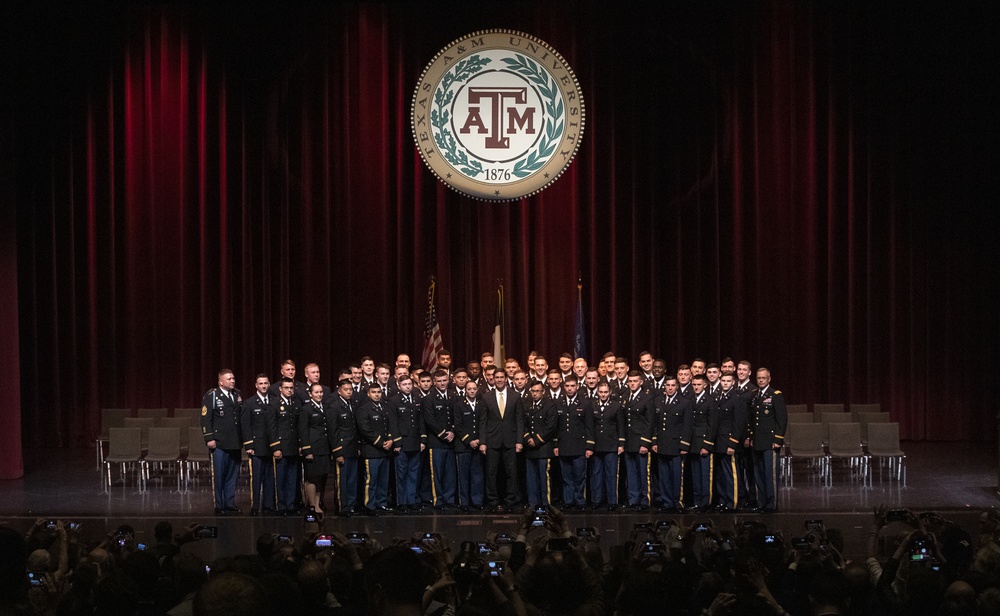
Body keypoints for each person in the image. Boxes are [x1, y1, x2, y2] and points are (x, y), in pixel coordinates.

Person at [478, 367, 522, 512]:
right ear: (493, 379)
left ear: (506, 378)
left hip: (510, 440)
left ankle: (510, 500)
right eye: (496, 377)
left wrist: (519, 441)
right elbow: (483, 421)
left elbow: (519, 420)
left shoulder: (515, 396)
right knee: (491, 473)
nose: (499, 380)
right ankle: (492, 501)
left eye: (501, 377)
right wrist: (483, 442)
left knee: (511, 473)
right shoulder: (486, 397)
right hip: (492, 440)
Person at [201, 369, 243, 515]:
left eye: (233, 378)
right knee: (219, 476)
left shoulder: (237, 395)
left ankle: (230, 503)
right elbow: (206, 418)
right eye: (229, 379)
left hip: (235, 442)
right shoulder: (212, 396)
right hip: (219, 443)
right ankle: (219, 505)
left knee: (232, 475)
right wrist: (209, 438)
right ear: (221, 382)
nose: (232, 381)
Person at [650, 375, 692, 513]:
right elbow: (655, 424)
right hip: (662, 444)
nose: (670, 388)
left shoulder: (684, 402)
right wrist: (655, 441)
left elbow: (687, 426)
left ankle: (677, 502)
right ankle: (667, 502)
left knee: (676, 476)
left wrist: (684, 445)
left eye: (673, 385)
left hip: (676, 445)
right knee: (664, 476)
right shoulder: (658, 401)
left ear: (677, 386)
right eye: (668, 385)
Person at [553, 375, 594, 510]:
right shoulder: (559, 402)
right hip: (564, 445)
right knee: (566, 477)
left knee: (579, 476)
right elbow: (556, 427)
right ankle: (568, 501)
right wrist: (556, 445)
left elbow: (589, 426)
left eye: (572, 386)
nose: (570, 389)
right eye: (567, 386)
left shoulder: (585, 403)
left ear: (577, 387)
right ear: (564, 387)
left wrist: (589, 446)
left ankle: (579, 500)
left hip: (579, 446)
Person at [241, 374, 278, 516]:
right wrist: (249, 445)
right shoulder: (249, 403)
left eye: (266, 383)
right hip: (256, 447)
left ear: (269, 384)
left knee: (270, 478)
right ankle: (255, 506)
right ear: (256, 385)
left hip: (271, 446)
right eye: (261, 383)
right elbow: (246, 426)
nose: (263, 386)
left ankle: (268, 505)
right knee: (256, 479)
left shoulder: (274, 401)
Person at [751, 367, 786, 512]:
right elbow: (753, 419)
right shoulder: (755, 395)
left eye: (763, 378)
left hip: (770, 442)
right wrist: (752, 436)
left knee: (770, 475)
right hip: (757, 441)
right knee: (758, 474)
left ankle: (771, 504)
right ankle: (762, 502)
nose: (760, 380)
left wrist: (778, 439)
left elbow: (782, 419)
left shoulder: (775, 395)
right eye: (758, 378)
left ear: (769, 379)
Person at [422, 369, 457, 510]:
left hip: (451, 441)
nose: (442, 383)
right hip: (436, 442)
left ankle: (449, 499)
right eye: (439, 381)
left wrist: (453, 432)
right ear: (434, 382)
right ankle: (438, 500)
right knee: (436, 473)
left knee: (450, 473)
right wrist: (444, 434)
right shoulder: (429, 399)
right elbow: (430, 420)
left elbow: (456, 416)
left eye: (444, 380)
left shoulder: (454, 397)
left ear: (448, 380)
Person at [387, 375, 423, 513]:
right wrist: (397, 442)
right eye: (405, 384)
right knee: (401, 474)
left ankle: (411, 500)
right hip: (402, 442)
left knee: (413, 474)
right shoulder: (394, 401)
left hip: (415, 441)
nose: (408, 386)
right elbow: (393, 423)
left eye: (409, 384)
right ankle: (401, 502)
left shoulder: (416, 398)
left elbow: (420, 420)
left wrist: (422, 440)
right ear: (398, 385)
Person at [356, 383, 393, 514]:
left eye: (378, 392)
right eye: (374, 392)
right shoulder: (364, 409)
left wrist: (390, 439)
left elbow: (390, 424)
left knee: (384, 480)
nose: (377, 395)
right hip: (372, 449)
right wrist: (381, 442)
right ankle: (369, 505)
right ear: (368, 394)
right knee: (371, 481)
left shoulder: (385, 407)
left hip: (385, 450)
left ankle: (381, 503)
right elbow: (365, 430)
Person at [298, 383, 335, 514]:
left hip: (324, 447)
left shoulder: (325, 407)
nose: (319, 395)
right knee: (312, 477)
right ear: (310, 394)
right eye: (316, 392)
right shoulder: (306, 409)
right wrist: (307, 450)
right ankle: (312, 505)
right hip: (313, 448)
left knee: (321, 477)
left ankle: (318, 504)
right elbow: (303, 430)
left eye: (320, 392)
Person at [712, 371, 747, 512]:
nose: (725, 383)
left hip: (728, 443)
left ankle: (733, 501)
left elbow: (738, 424)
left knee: (731, 474)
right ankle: (723, 500)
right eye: (723, 381)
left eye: (728, 381)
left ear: (733, 383)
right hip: (718, 442)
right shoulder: (719, 397)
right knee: (720, 474)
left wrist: (732, 443)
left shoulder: (737, 399)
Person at [589, 382, 624, 511]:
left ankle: (612, 501)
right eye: (601, 392)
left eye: (605, 392)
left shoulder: (616, 405)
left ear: (609, 393)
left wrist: (621, 443)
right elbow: (590, 425)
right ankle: (596, 500)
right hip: (597, 444)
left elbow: (620, 425)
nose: (603, 395)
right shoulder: (592, 405)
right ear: (597, 392)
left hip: (611, 444)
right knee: (596, 473)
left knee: (611, 474)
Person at [522, 381, 556, 508]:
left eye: (537, 391)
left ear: (543, 392)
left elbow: (550, 427)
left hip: (543, 447)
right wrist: (527, 437)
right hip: (529, 448)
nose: (535, 394)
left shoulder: (549, 406)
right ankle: (533, 502)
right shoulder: (526, 405)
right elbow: (523, 424)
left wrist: (536, 440)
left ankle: (545, 503)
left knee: (544, 477)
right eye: (533, 391)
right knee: (531, 478)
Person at [622, 371, 653, 509]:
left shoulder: (646, 399)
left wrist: (645, 442)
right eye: (630, 381)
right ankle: (633, 499)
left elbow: (649, 422)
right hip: (629, 441)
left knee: (642, 472)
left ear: (641, 382)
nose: (632, 384)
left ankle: (644, 500)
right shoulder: (626, 397)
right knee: (631, 473)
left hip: (640, 441)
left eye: (635, 381)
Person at [329, 379, 361, 517]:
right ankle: (343, 506)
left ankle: (351, 504)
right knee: (342, 480)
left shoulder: (352, 404)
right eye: (346, 389)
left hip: (352, 447)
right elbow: (333, 431)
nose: (349, 392)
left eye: (350, 389)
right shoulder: (334, 407)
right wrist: (337, 451)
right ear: (339, 391)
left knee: (352, 479)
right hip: (342, 448)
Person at [271, 377, 301, 515]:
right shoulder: (275, 404)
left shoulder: (296, 403)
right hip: (281, 446)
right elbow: (272, 428)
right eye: (286, 388)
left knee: (292, 478)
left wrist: (300, 444)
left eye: (291, 388)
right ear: (280, 389)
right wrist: (276, 447)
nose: (289, 390)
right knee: (281, 479)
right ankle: (281, 505)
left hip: (293, 446)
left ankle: (291, 504)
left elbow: (298, 426)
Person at [688, 374, 718, 512]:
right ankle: (697, 501)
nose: (696, 387)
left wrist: (707, 444)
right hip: (693, 443)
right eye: (694, 384)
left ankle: (706, 503)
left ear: (705, 385)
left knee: (706, 475)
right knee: (696, 475)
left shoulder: (710, 401)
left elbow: (712, 425)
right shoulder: (691, 399)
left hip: (704, 442)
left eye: (698, 384)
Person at [453, 381, 485, 511]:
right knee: (464, 475)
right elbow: (458, 426)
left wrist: (479, 440)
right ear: (465, 390)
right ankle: (464, 502)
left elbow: (483, 423)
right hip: (463, 446)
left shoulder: (481, 404)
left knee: (477, 475)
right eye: (469, 389)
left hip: (477, 445)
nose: (472, 391)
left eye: (474, 389)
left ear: (477, 390)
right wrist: (469, 440)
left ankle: (477, 501)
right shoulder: (459, 405)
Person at [735, 359, 756, 509]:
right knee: (737, 468)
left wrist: (749, 435)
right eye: (739, 369)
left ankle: (753, 498)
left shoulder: (754, 390)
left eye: (744, 370)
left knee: (750, 469)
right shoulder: (732, 387)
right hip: (735, 435)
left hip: (747, 436)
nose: (741, 372)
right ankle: (741, 497)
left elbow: (753, 416)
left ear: (749, 372)